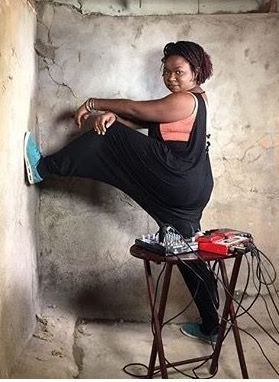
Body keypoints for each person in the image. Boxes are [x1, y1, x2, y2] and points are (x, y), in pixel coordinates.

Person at [24, 40, 219, 344]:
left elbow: (135, 108)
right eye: (166, 72)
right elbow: (144, 118)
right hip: (194, 186)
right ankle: (212, 324)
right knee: (186, 250)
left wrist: (95, 104)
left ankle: (44, 169)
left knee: (109, 137)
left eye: (179, 72)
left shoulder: (184, 100)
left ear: (196, 70)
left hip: (179, 179)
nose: (171, 78)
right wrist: (119, 119)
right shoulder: (197, 99)